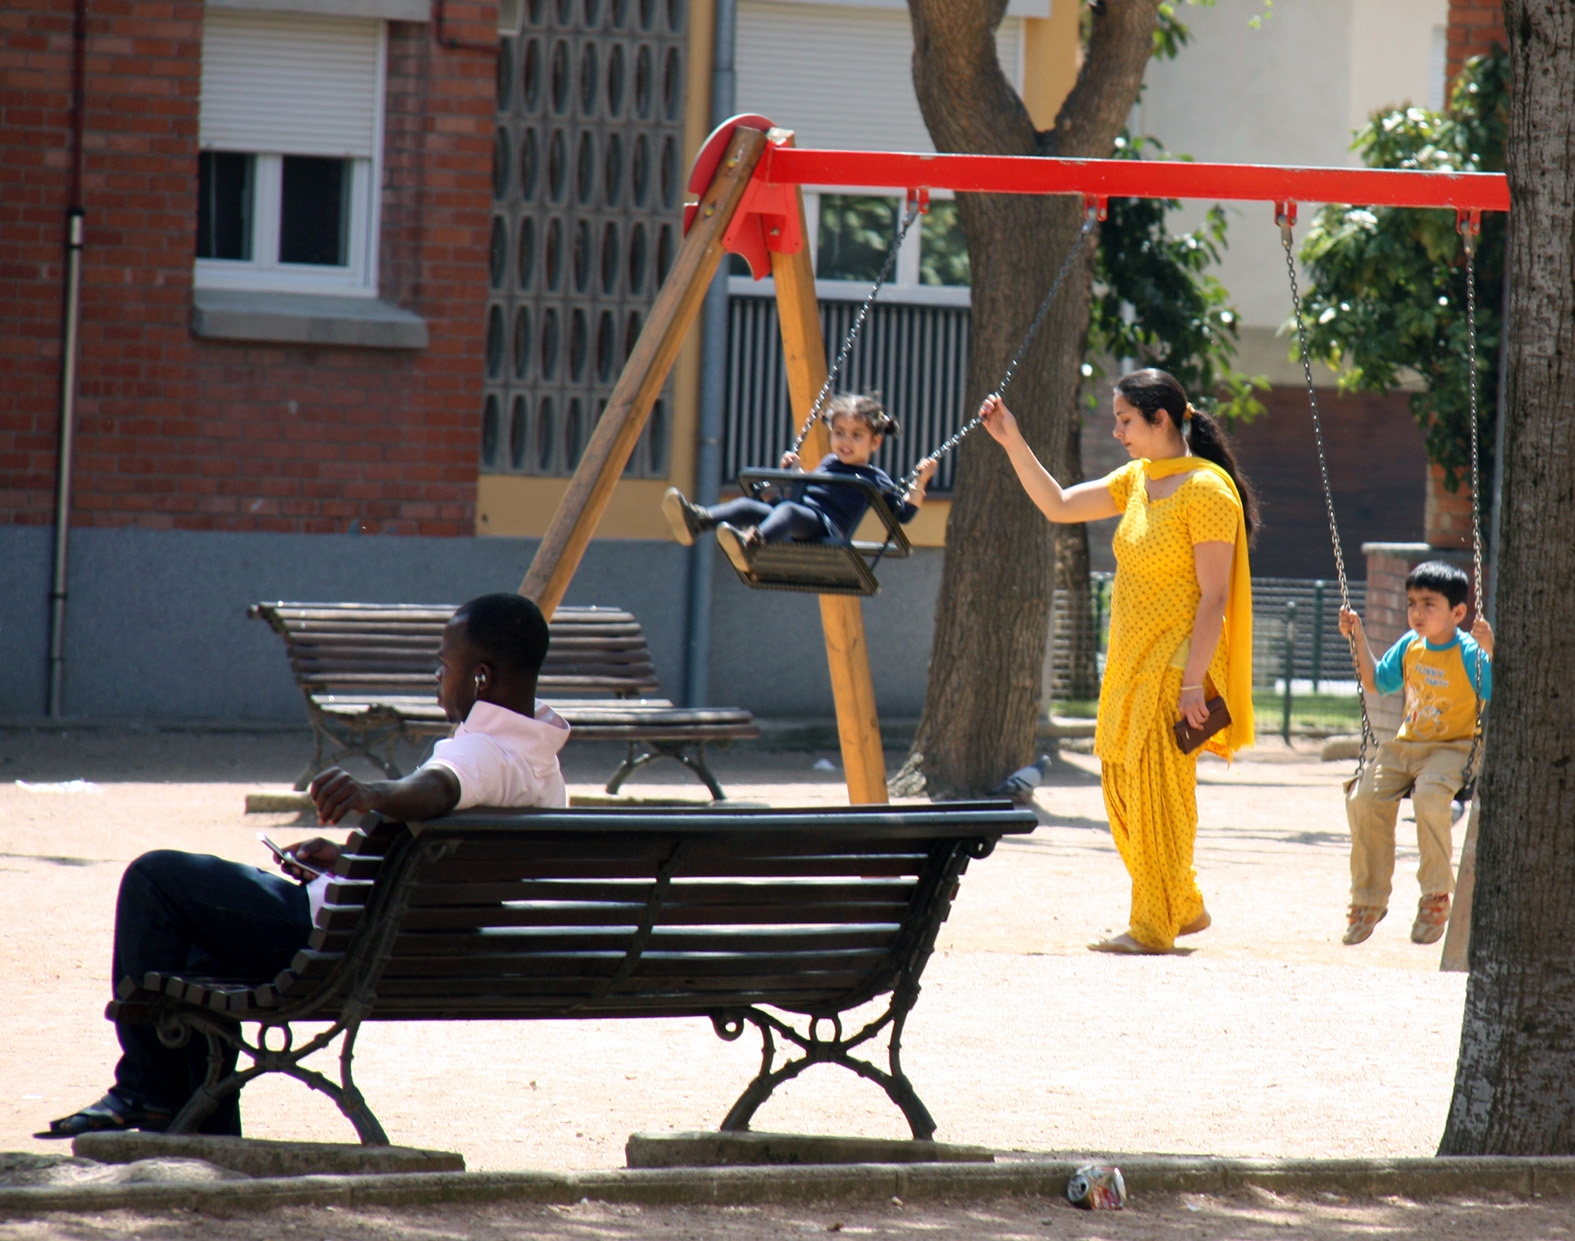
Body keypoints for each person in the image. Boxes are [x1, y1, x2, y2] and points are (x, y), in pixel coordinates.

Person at [39, 593, 570, 1139]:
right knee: (194, 953)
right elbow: (444, 873)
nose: (436, 675)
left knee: (155, 879)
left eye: (444, 662)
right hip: (400, 940)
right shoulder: (541, 768)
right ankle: (197, 1120)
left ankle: (149, 1093)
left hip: (339, 942)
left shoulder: (482, 753)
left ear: (480, 678)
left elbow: (436, 788)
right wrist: (351, 863)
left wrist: (373, 791)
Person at [981, 368, 1257, 955]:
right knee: (1121, 789)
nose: (1117, 431)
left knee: (1160, 791)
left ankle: (1153, 924)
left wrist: (1190, 687)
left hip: (1175, 666)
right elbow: (1057, 505)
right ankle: (1181, 902)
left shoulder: (1206, 490)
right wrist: (1012, 440)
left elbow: (1215, 597)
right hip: (1128, 663)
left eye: (1126, 420)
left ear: (1161, 420)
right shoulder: (1137, 480)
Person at [1337, 561, 1493, 946]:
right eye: (1412, 603)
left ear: (1458, 613)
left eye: (1428, 604)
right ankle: (1369, 899)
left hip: (1453, 748)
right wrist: (1356, 635)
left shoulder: (1469, 651)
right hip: (1406, 746)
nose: (1417, 612)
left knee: (1429, 798)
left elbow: (1495, 691)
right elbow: (1375, 682)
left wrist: (1490, 651)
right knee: (1363, 797)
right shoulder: (1410, 646)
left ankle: (1436, 895)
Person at [660, 392, 937, 574]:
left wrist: (920, 481)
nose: (845, 442)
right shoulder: (828, 462)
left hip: (826, 528)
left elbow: (904, 514)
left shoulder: (874, 478)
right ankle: (699, 521)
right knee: (749, 505)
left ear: (875, 442)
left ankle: (754, 544)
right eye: (839, 433)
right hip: (803, 516)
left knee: (788, 512)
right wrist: (794, 472)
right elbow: (808, 490)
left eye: (856, 435)